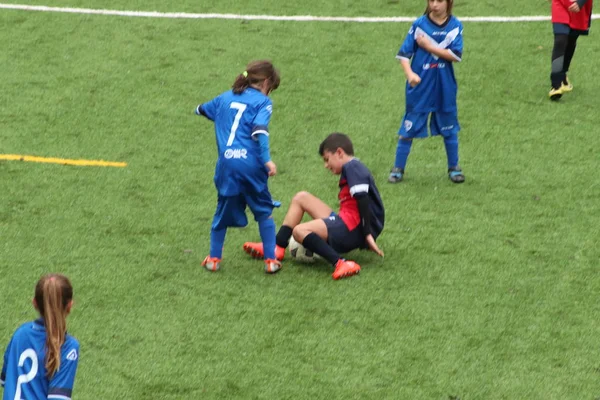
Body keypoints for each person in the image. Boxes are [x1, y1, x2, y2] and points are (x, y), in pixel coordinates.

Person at [243, 133, 385, 280]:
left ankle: (341, 263)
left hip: (352, 228)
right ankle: (277, 247)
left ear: (339, 153)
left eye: (327, 159)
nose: (326, 165)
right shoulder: (353, 167)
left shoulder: (352, 167)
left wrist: (367, 234)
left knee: (299, 231)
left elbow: (362, 199)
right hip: (348, 222)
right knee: (301, 198)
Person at [195, 60, 282, 274]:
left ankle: (214, 259)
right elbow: (260, 130)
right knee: (264, 212)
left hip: (227, 165)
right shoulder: (263, 102)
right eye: (271, 88)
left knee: (221, 211)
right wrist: (267, 159)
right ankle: (271, 260)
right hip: (251, 164)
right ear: (266, 82)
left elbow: (201, 109)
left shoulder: (224, 98)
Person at [388, 0, 465, 184]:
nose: (434, 5)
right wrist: (409, 74)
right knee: (409, 126)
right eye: (431, 0)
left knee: (449, 127)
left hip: (444, 85)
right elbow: (404, 55)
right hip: (420, 86)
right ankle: (398, 168)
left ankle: (454, 167)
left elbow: (455, 55)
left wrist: (429, 46)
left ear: (449, 2)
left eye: (439, 1)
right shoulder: (419, 25)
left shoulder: (455, 26)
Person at [1, 274, 79, 400]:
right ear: (69, 305)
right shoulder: (68, 346)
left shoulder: (20, 334)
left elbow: (5, 379)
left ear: (35, 303)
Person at [548, 0, 593, 100]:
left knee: (571, 41)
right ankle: (556, 85)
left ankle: (563, 74)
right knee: (560, 40)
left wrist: (581, 2)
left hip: (578, 7)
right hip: (560, 2)